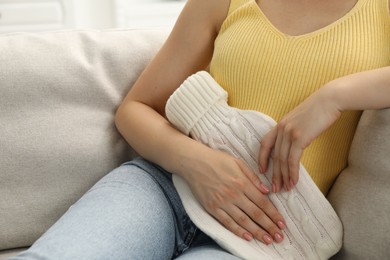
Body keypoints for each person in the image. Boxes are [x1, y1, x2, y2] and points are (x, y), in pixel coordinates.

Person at [11, 0, 390, 259]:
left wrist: (334, 95)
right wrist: (197, 163)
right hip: (164, 190)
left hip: (266, 238)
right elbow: (135, 109)